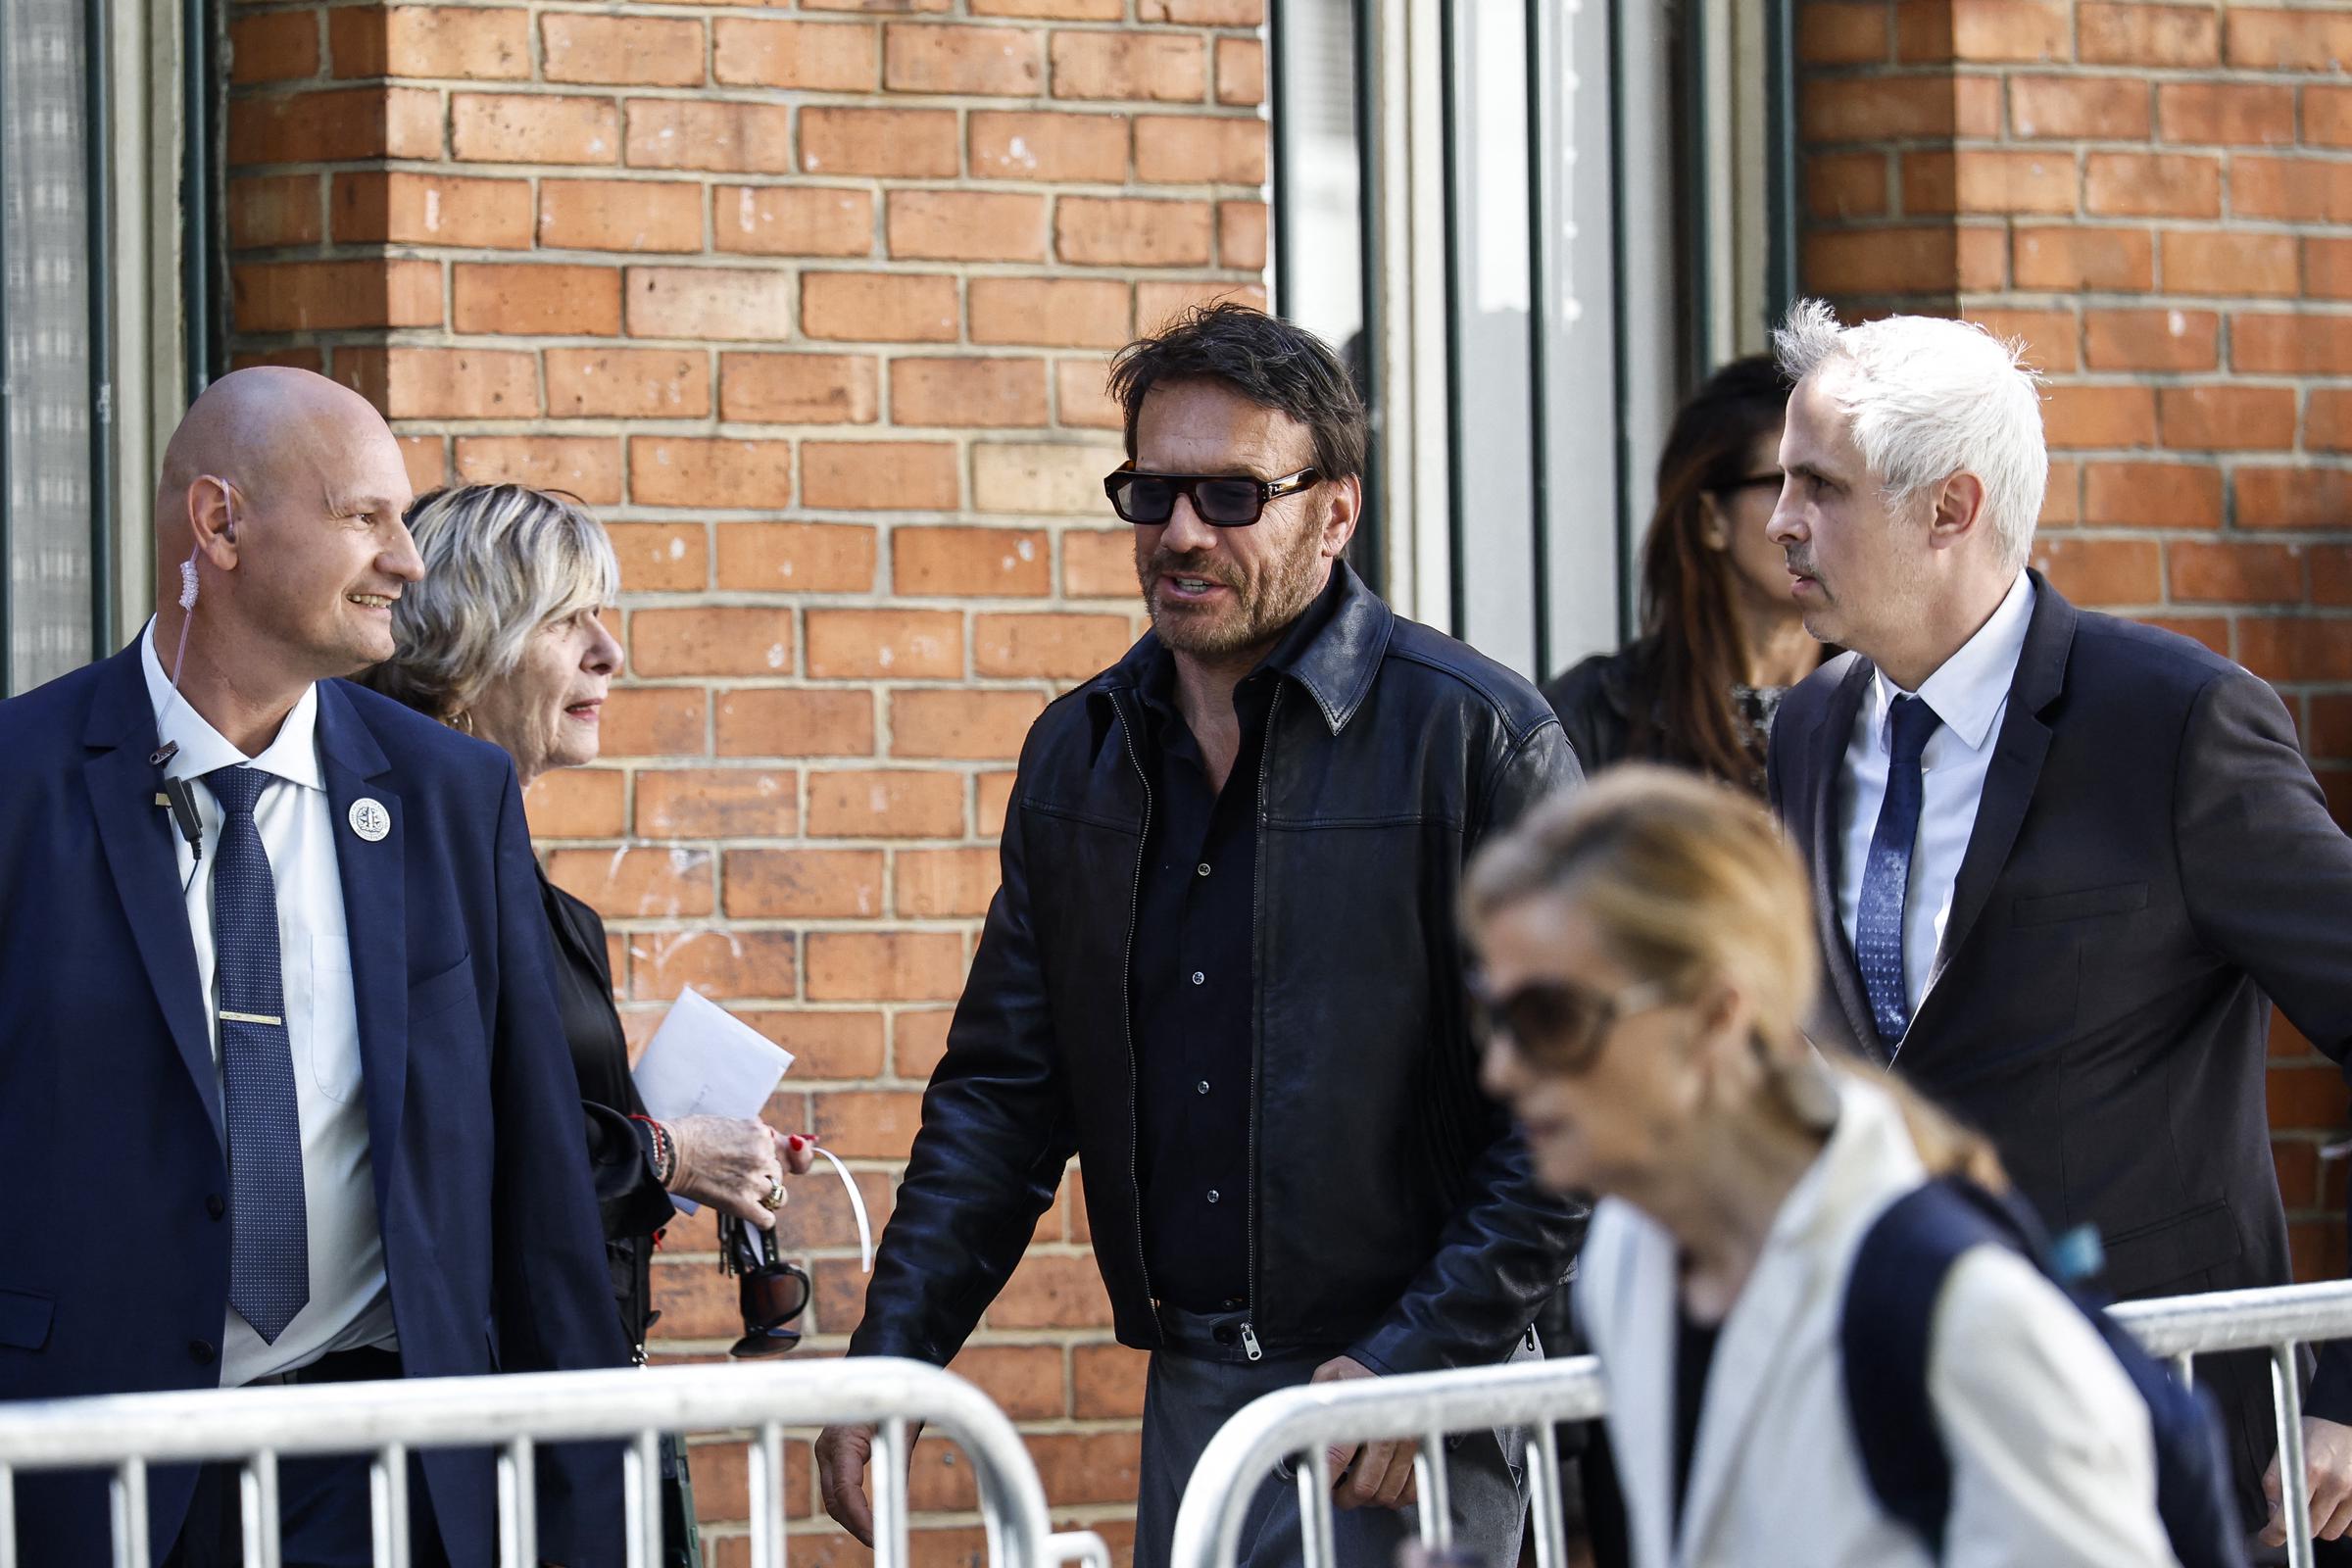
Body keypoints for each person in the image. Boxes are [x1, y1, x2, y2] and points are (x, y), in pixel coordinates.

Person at [812, 303, 1585, 1568]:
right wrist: (896, 1352)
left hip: (1399, 1410)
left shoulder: (1474, 740)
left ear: (1334, 511)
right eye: (1151, 492)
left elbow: (1576, 1112)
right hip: (1195, 1393)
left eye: (1231, 496)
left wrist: (1424, 1354)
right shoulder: (1083, 754)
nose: (1179, 532)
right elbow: (1004, 1098)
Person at [0, 368, 630, 1568]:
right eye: (363, 518)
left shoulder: (453, 797)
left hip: (384, 1471)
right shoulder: (18, 786)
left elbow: (538, 1194)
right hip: (88, 1473)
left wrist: (582, 1519)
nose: (407, 559)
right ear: (221, 524)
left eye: (404, 519)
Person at [1763, 298, 2352, 1554]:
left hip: (2156, 1446)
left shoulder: (2179, 723)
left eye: (1820, 485)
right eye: (1782, 483)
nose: (1779, 523)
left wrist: (2349, 1395)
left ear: (1952, 508)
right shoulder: (1809, 729)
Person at [1466, 767, 2180, 1566]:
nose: (1502, 1068)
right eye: (1493, 1016)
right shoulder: (1635, 1251)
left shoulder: (1962, 1316)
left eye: (1549, 1018)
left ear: (1716, 1018)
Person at [360, 482, 818, 1564]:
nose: (609, 651)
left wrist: (690, 1157)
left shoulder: (551, 907)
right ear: (469, 639)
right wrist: (667, 1151)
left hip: (578, 1390)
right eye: (568, 618)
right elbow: (444, 1148)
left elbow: (549, 1136)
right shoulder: (406, 872)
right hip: (486, 1442)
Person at [1541, 356, 1822, 793]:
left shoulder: (1888, 710)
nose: (1806, 517)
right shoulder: (1592, 718)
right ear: (1711, 518)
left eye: (1830, 486)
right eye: (1782, 484)